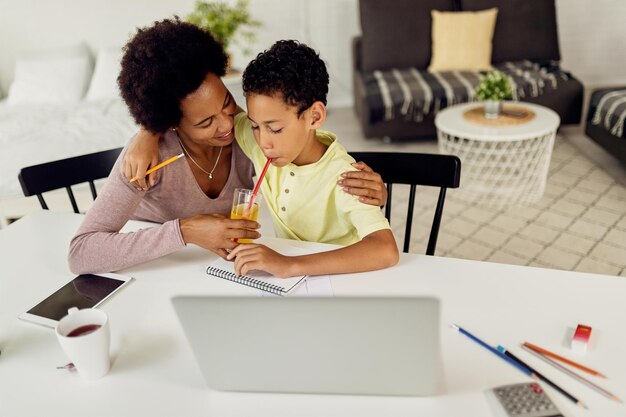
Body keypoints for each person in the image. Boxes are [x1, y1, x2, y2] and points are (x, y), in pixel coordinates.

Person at [68, 18, 386, 274]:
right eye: (206, 122)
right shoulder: (147, 157)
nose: (226, 125)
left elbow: (294, 132)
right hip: (156, 273)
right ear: (170, 122)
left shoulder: (250, 134)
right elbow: (81, 253)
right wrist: (185, 230)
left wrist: (369, 189)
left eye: (227, 103)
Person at [226, 40, 399, 277]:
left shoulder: (346, 177)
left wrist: (288, 265)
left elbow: (386, 250)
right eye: (255, 126)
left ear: (314, 117)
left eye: (274, 129)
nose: (263, 141)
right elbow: (216, 99)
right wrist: (154, 134)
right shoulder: (262, 144)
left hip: (345, 282)